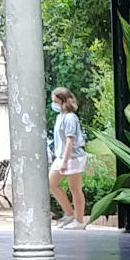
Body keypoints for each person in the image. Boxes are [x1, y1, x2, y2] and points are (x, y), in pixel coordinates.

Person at [49, 87, 89, 228]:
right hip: (61, 156)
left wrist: (65, 161)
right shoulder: (60, 116)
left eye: (55, 101)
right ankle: (69, 213)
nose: (53, 103)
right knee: (51, 184)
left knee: (75, 188)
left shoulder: (71, 118)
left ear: (63, 101)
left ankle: (78, 221)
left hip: (73, 158)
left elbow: (70, 141)